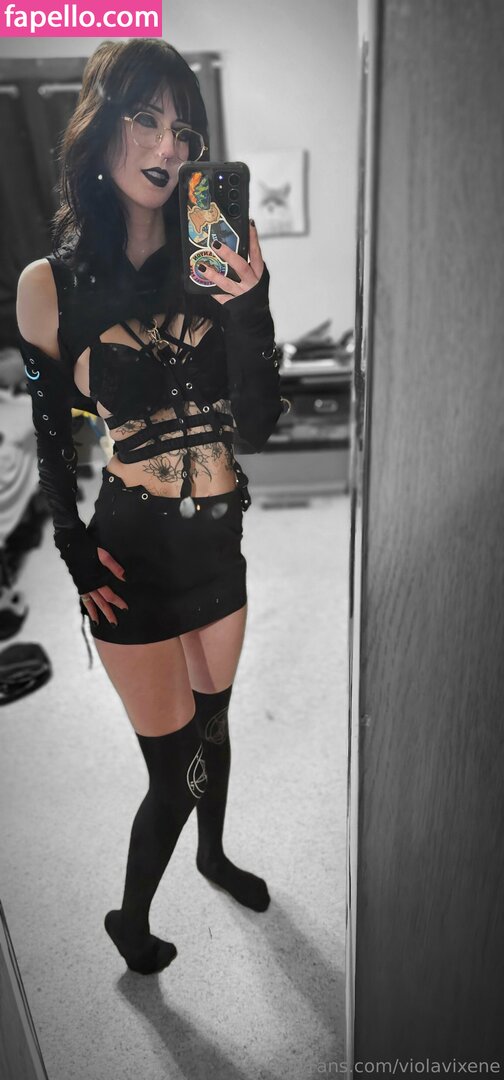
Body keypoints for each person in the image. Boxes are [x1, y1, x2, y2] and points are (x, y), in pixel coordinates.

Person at [16, 38, 283, 975]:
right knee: (170, 774)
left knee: (216, 727)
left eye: (184, 129)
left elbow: (258, 427)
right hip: (129, 556)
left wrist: (251, 305)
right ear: (101, 127)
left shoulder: (215, 263)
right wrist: (75, 555)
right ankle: (130, 920)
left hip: (219, 546)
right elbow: (54, 443)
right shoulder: (50, 286)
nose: (169, 146)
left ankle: (215, 855)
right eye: (147, 118)